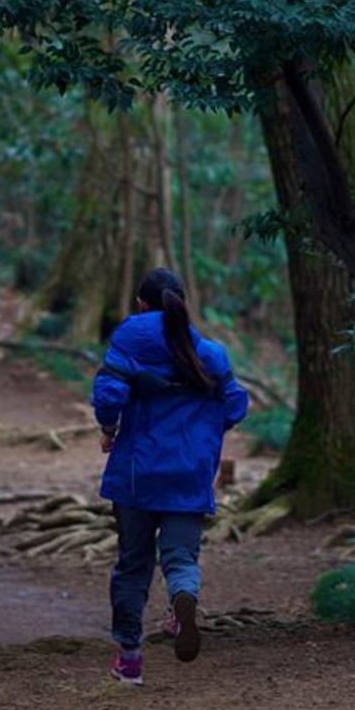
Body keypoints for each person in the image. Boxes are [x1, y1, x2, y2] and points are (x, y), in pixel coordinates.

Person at [91, 267, 249, 685]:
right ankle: (183, 602)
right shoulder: (211, 354)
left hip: (136, 475)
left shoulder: (129, 340)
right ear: (181, 304)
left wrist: (109, 429)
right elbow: (235, 407)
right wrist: (200, 432)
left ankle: (129, 660)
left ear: (142, 304)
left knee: (133, 565)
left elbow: (109, 394)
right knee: (181, 558)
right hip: (188, 475)